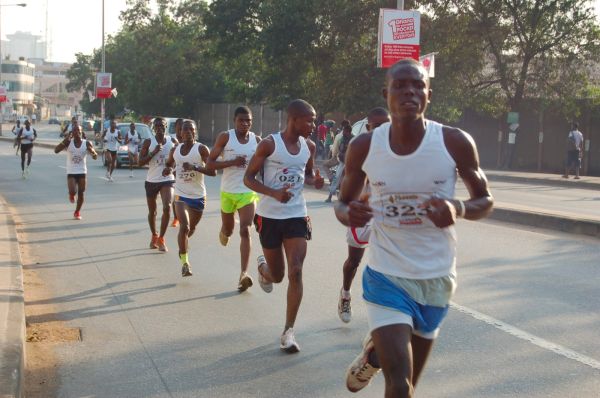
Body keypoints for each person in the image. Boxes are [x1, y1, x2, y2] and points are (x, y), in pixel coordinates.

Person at [335, 59, 493, 396]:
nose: (410, 91)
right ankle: (383, 351)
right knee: (400, 385)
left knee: (410, 383)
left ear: (428, 95)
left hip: (436, 278)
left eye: (418, 85)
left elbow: (486, 201)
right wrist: (350, 212)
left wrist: (458, 207)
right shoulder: (364, 146)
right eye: (401, 85)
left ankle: (375, 354)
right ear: (386, 93)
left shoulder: (454, 142)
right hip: (385, 274)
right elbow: (342, 202)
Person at [244, 99, 324, 353]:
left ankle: (288, 331)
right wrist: (273, 193)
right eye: (309, 120)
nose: (313, 125)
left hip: (296, 215)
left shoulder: (308, 146)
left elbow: (308, 175)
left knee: (296, 271)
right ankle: (262, 268)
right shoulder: (269, 144)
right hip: (269, 217)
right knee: (277, 276)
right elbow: (248, 178)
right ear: (294, 119)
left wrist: (316, 180)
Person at [337, 107, 391, 324]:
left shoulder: (400, 148)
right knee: (354, 261)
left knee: (388, 263)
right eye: (376, 126)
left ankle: (385, 313)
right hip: (363, 211)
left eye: (386, 124)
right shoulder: (359, 149)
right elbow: (345, 190)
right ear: (368, 127)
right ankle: (345, 293)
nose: (382, 129)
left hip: (388, 214)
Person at [207, 106, 261, 292]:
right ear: (234, 121)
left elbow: (266, 166)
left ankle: (243, 274)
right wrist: (232, 162)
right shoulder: (225, 137)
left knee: (245, 229)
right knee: (229, 230)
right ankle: (224, 231)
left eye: (249, 120)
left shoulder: (257, 141)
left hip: (248, 192)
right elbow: (210, 163)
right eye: (241, 120)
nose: (245, 123)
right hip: (227, 192)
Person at [163, 120, 216, 277]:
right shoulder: (175, 150)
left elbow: (213, 172)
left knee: (190, 229)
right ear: (180, 133)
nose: (188, 133)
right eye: (185, 130)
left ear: (195, 132)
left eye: (191, 130)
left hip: (198, 196)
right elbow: (170, 165)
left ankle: (183, 246)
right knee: (184, 227)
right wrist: (168, 170)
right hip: (180, 194)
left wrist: (195, 167)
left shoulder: (201, 149)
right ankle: (185, 263)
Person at [139, 117, 178, 252]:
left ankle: (162, 238)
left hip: (167, 180)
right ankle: (154, 235)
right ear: (153, 128)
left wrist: (171, 169)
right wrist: (153, 152)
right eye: (157, 126)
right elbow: (140, 162)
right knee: (153, 212)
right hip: (151, 181)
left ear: (166, 126)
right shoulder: (148, 142)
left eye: (162, 125)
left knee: (167, 207)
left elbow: (178, 158)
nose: (159, 128)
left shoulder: (172, 141)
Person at [53, 124, 98, 220]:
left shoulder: (87, 143)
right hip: (71, 171)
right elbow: (56, 150)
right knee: (73, 190)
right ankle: (71, 194)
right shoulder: (69, 142)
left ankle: (77, 212)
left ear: (82, 132)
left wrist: (93, 153)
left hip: (82, 171)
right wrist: (66, 140)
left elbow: (95, 156)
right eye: (75, 131)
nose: (77, 132)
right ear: (72, 133)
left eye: (79, 130)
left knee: (82, 192)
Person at [325, 120, 352, 202]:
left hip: (350, 163)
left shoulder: (353, 139)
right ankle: (330, 196)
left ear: (348, 131)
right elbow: (339, 148)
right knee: (337, 178)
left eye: (344, 130)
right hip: (342, 161)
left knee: (349, 180)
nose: (342, 132)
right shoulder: (343, 138)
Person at [171, 118, 184, 228]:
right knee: (175, 196)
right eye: (179, 128)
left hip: (187, 174)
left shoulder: (189, 140)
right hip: (175, 173)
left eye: (182, 128)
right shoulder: (172, 141)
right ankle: (176, 217)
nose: (180, 131)